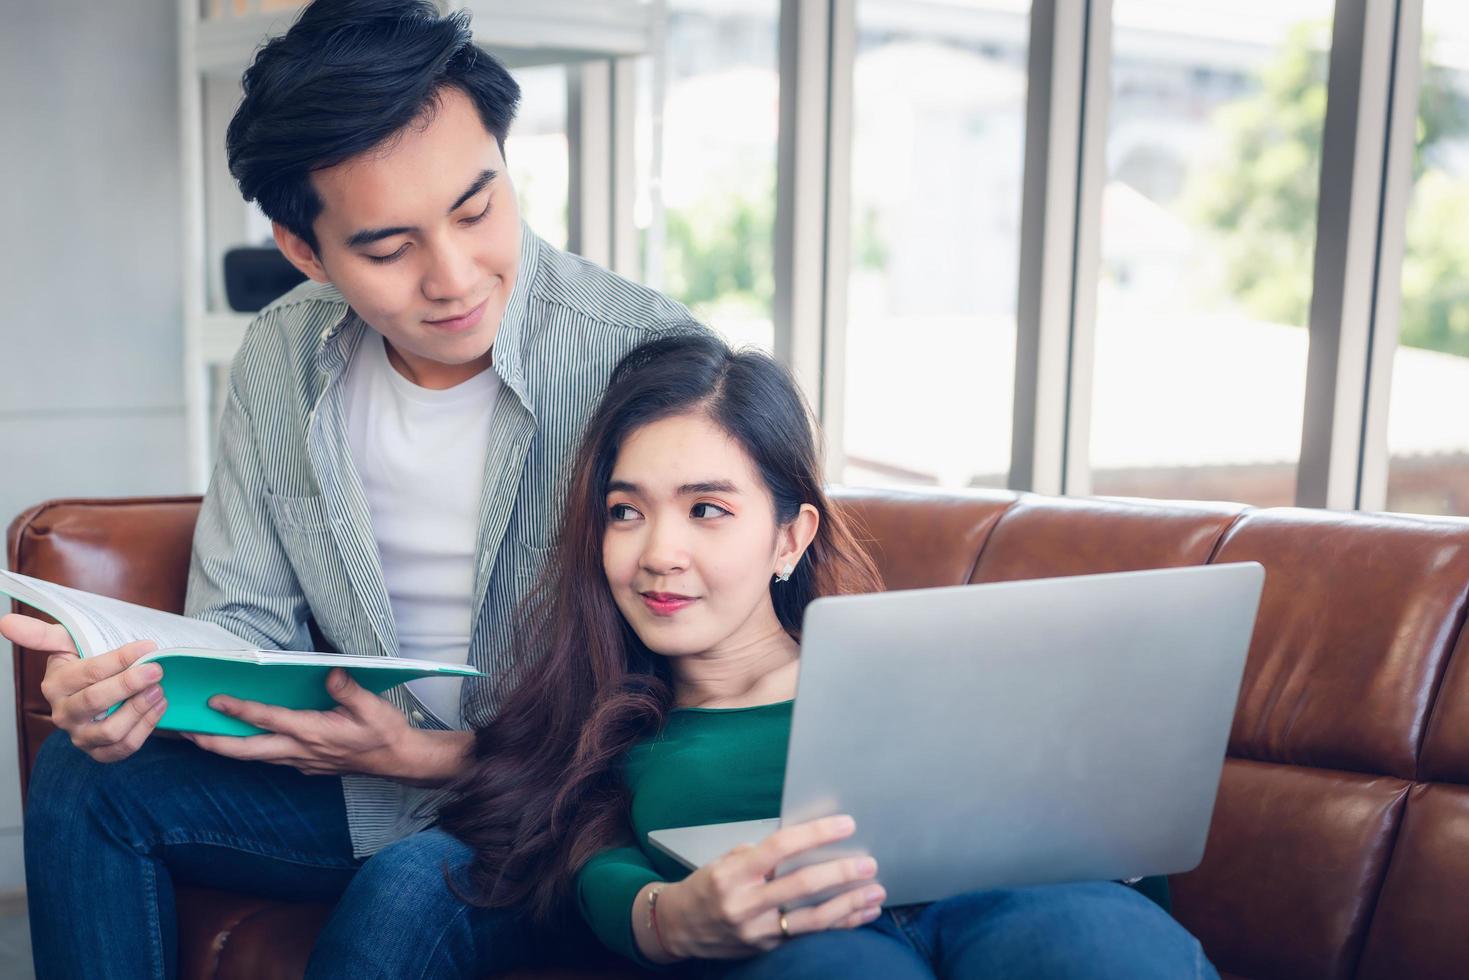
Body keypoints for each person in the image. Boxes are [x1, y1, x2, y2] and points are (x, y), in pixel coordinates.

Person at [3, 1, 700, 977]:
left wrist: (442, 759)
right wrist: (137, 690)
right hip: (356, 783)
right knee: (88, 778)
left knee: (412, 886)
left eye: (476, 207)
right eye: (386, 247)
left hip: (561, 804)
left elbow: (704, 689)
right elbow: (242, 630)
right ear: (304, 250)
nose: (454, 276)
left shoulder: (646, 358)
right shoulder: (281, 357)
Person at [440, 332, 1219, 979]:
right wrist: (669, 916)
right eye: (624, 511)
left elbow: (1112, 852)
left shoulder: (920, 672)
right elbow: (590, 864)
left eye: (705, 509)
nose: (657, 553)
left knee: (1094, 939)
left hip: (1016, 904)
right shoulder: (606, 716)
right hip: (808, 945)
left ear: (790, 536)